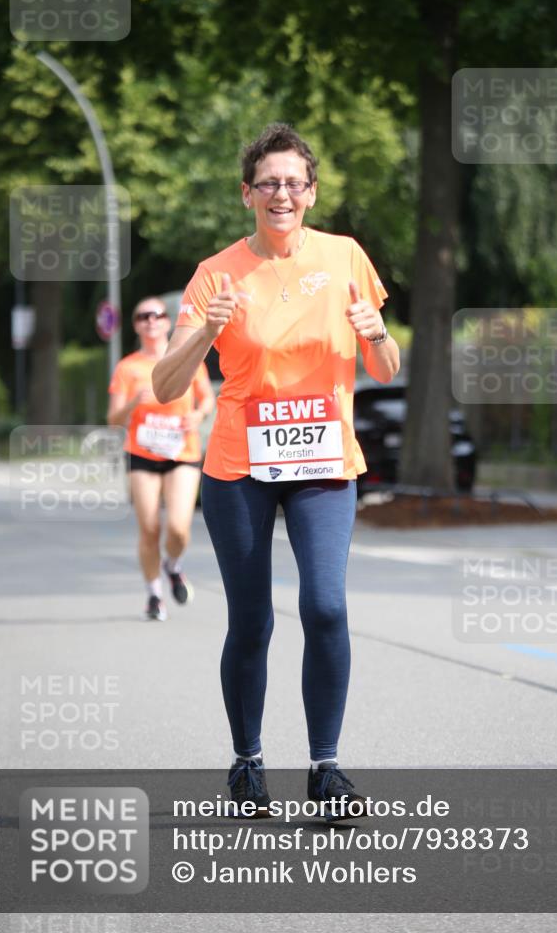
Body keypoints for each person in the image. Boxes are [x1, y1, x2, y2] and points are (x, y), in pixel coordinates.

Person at [153, 123, 399, 816]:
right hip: (237, 467)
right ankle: (247, 765)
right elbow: (167, 388)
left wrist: (375, 331)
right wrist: (205, 329)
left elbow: (383, 364)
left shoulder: (345, 257)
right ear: (247, 195)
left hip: (324, 461)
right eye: (268, 182)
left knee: (325, 606)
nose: (281, 193)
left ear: (311, 193)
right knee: (252, 619)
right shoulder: (214, 273)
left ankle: (326, 771)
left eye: (294, 182)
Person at [108, 297, 215, 621]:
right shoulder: (128, 367)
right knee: (150, 528)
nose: (151, 320)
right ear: (136, 325)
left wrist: (198, 414)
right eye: (143, 316)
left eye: (157, 315)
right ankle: (154, 594)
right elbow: (113, 418)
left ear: (168, 322)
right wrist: (133, 404)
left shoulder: (187, 359)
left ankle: (172, 565)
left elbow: (207, 397)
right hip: (142, 453)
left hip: (182, 451)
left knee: (179, 529)